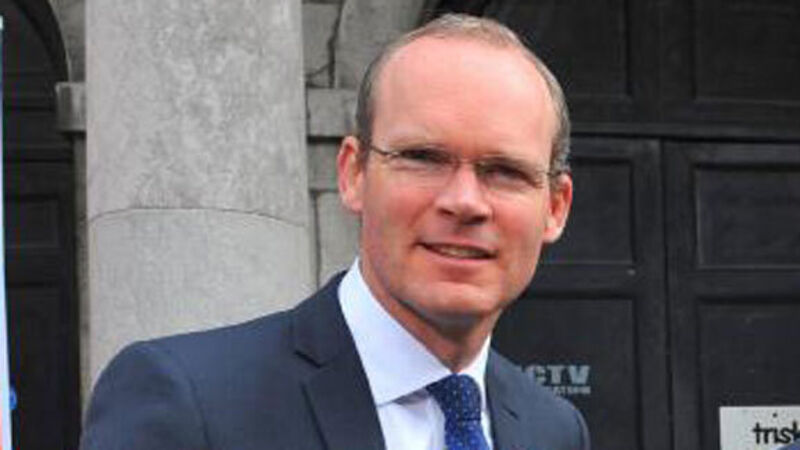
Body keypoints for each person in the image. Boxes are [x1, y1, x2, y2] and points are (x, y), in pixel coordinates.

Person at [80, 13, 588, 450]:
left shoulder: (554, 429)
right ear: (353, 174)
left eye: (505, 171)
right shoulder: (188, 403)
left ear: (555, 207)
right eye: (422, 157)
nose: (465, 201)